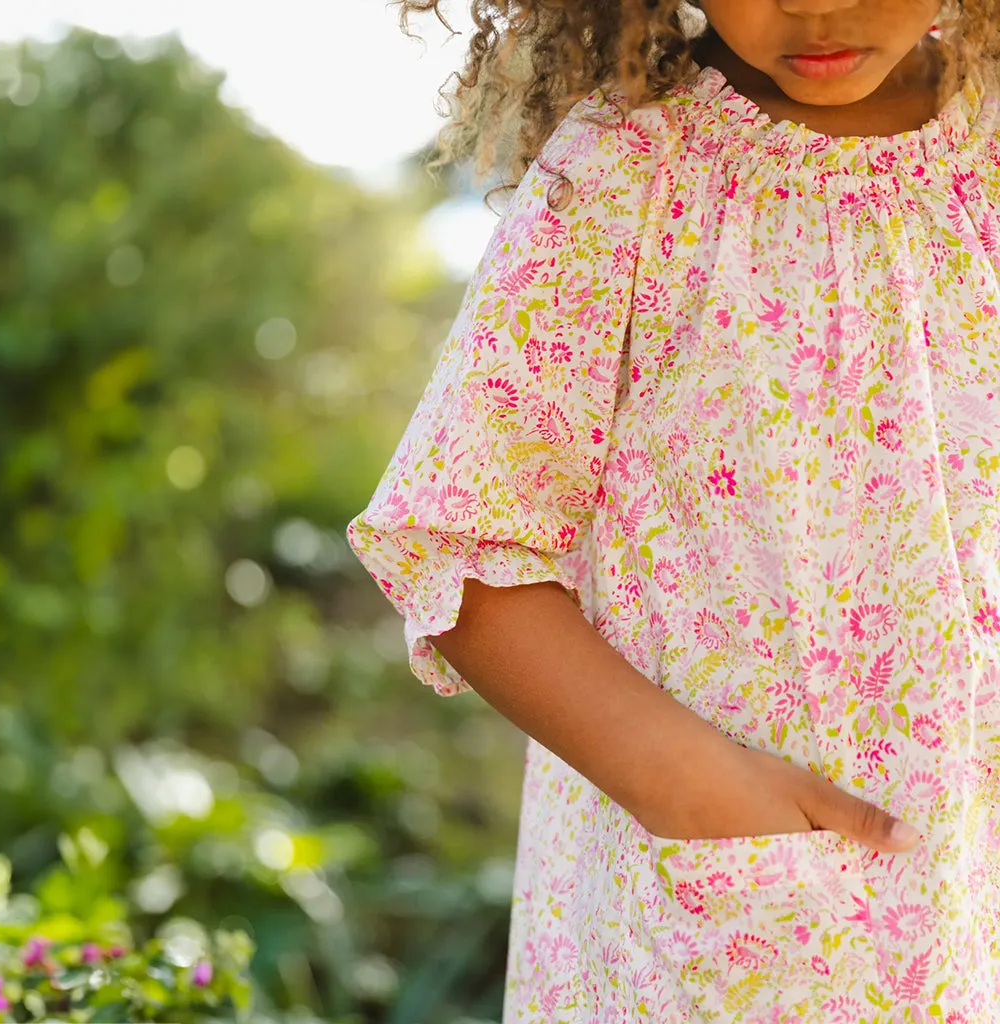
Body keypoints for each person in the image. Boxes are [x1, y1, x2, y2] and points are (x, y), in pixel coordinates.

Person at [348, 0, 1000, 1019]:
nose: (817, 3)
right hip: (711, 941)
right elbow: (460, 542)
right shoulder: (628, 169)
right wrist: (679, 785)